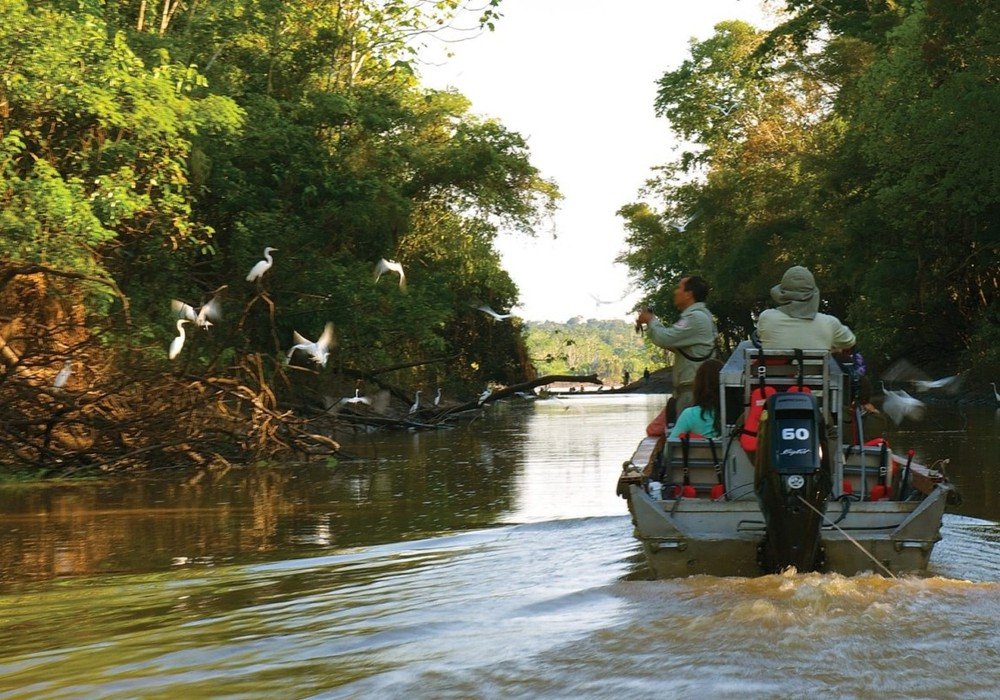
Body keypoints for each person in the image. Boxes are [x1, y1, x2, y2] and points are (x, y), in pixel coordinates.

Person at [635, 275, 717, 419]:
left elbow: (664, 338)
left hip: (692, 392)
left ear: (689, 294)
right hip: (693, 391)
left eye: (679, 288)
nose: (675, 292)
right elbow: (676, 344)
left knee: (687, 439)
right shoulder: (700, 317)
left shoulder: (695, 318)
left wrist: (651, 320)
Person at [756, 266, 855, 351]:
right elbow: (850, 341)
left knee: (745, 345)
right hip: (817, 372)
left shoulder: (767, 317)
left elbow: (759, 337)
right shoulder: (829, 323)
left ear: (781, 294)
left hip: (774, 373)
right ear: (814, 294)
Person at [668, 359, 723, 439]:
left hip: (699, 451)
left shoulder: (689, 414)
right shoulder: (734, 416)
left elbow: (670, 448)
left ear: (698, 385)